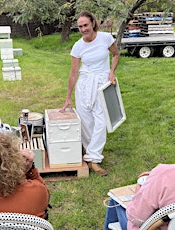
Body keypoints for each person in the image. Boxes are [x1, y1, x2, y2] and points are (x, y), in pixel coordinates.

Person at [60, 10, 120, 176]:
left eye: (85, 25)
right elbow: (73, 73)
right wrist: (68, 98)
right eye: (80, 26)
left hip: (102, 83)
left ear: (93, 23)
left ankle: (94, 159)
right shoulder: (78, 46)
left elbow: (115, 55)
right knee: (86, 121)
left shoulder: (105, 38)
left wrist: (112, 71)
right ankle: (89, 152)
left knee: (101, 121)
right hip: (85, 85)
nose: (83, 29)